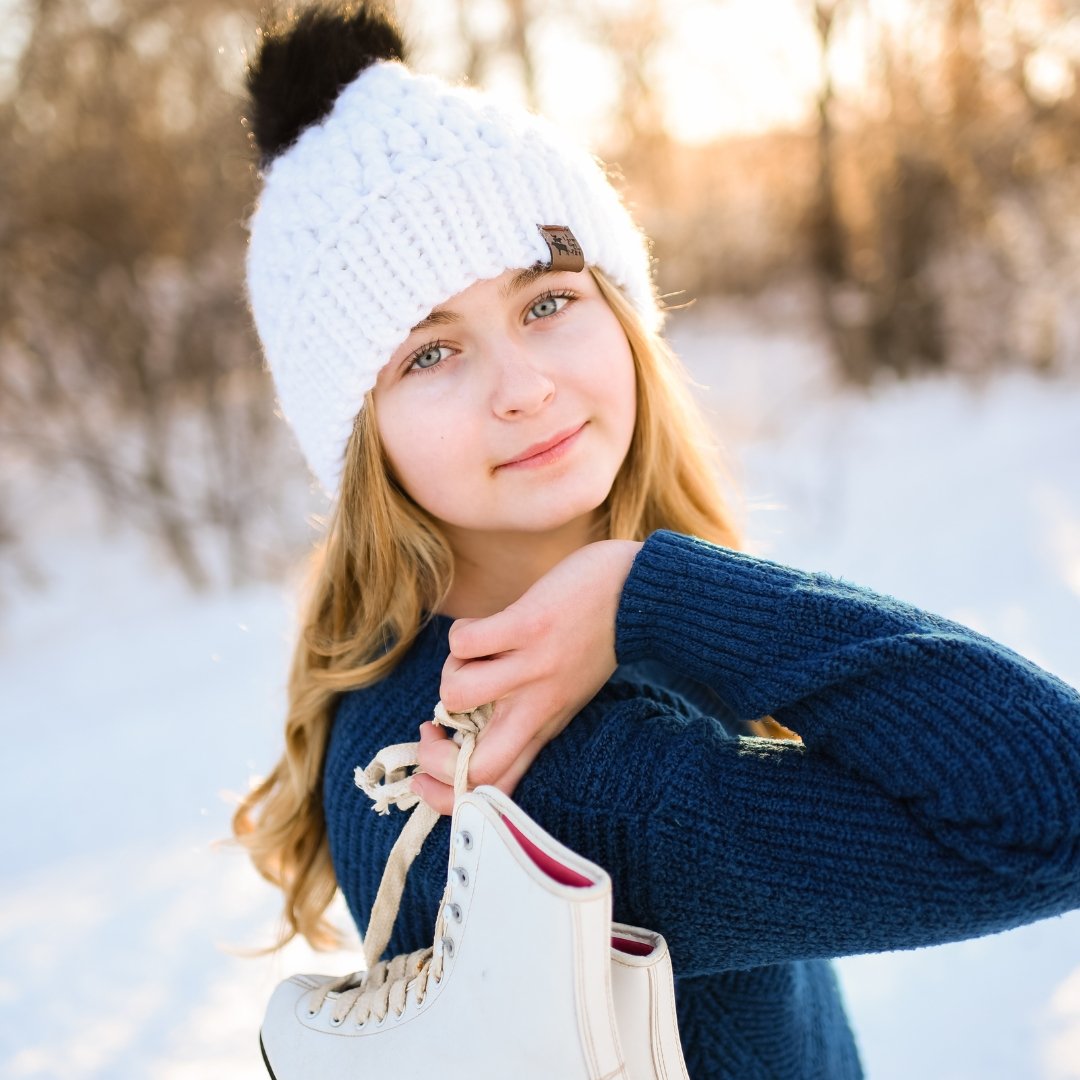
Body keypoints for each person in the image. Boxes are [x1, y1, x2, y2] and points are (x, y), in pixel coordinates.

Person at [234, 4, 1080, 1077]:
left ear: (624, 312)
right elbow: (1052, 806)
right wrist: (658, 598)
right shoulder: (559, 781)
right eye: (431, 356)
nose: (525, 387)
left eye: (547, 302)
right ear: (361, 438)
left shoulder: (426, 678)